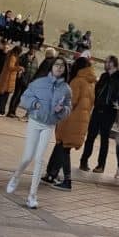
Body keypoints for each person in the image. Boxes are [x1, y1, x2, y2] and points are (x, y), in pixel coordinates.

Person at [6, 56, 72, 209]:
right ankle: (16, 176)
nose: (59, 68)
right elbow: (24, 98)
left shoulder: (66, 89)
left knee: (39, 159)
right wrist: (34, 104)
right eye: (57, 65)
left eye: (62, 66)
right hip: (35, 122)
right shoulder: (38, 83)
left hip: (49, 125)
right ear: (51, 67)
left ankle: (32, 196)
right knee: (27, 157)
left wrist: (62, 110)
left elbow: (69, 109)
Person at [45, 56, 95, 190]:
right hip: (80, 122)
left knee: (64, 149)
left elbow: (70, 102)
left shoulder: (77, 82)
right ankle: (52, 174)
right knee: (62, 148)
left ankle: (67, 180)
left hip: (70, 121)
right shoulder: (90, 83)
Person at [81, 55, 119, 173]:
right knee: (91, 136)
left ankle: (101, 165)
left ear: (112, 63)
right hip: (98, 109)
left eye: (107, 62)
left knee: (104, 139)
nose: (105, 64)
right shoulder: (104, 76)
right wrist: (96, 101)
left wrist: (118, 102)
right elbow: (96, 90)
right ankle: (84, 161)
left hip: (110, 111)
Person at [0, 44, 22, 116]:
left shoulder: (10, 55)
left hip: (7, 78)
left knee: (3, 96)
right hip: (7, 79)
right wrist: (19, 68)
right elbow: (11, 67)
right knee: (3, 96)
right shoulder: (12, 57)